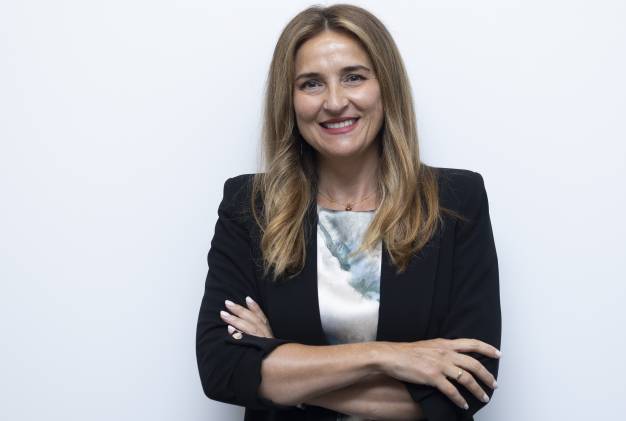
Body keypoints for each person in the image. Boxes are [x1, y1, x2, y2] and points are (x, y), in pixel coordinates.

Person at [195, 4, 502, 420]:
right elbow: (224, 368)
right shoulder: (250, 206)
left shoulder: (455, 202)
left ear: (386, 86)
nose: (335, 102)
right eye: (311, 84)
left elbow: (467, 386)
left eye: (354, 77)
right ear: (289, 100)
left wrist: (283, 371)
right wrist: (387, 356)